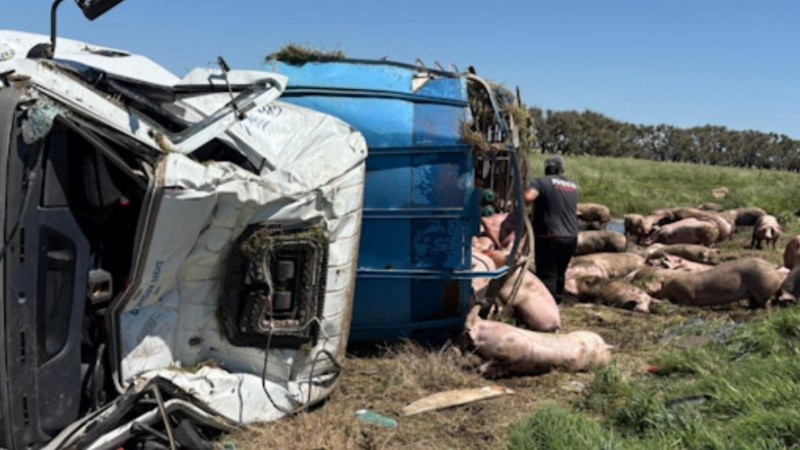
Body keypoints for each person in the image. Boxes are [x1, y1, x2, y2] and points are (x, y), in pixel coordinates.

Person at [523, 155, 579, 304]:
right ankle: (558, 301)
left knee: (547, 274)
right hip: (571, 236)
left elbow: (528, 197)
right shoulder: (573, 186)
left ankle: (546, 306)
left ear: (547, 169)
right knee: (560, 272)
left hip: (549, 236)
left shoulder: (541, 182)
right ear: (561, 170)